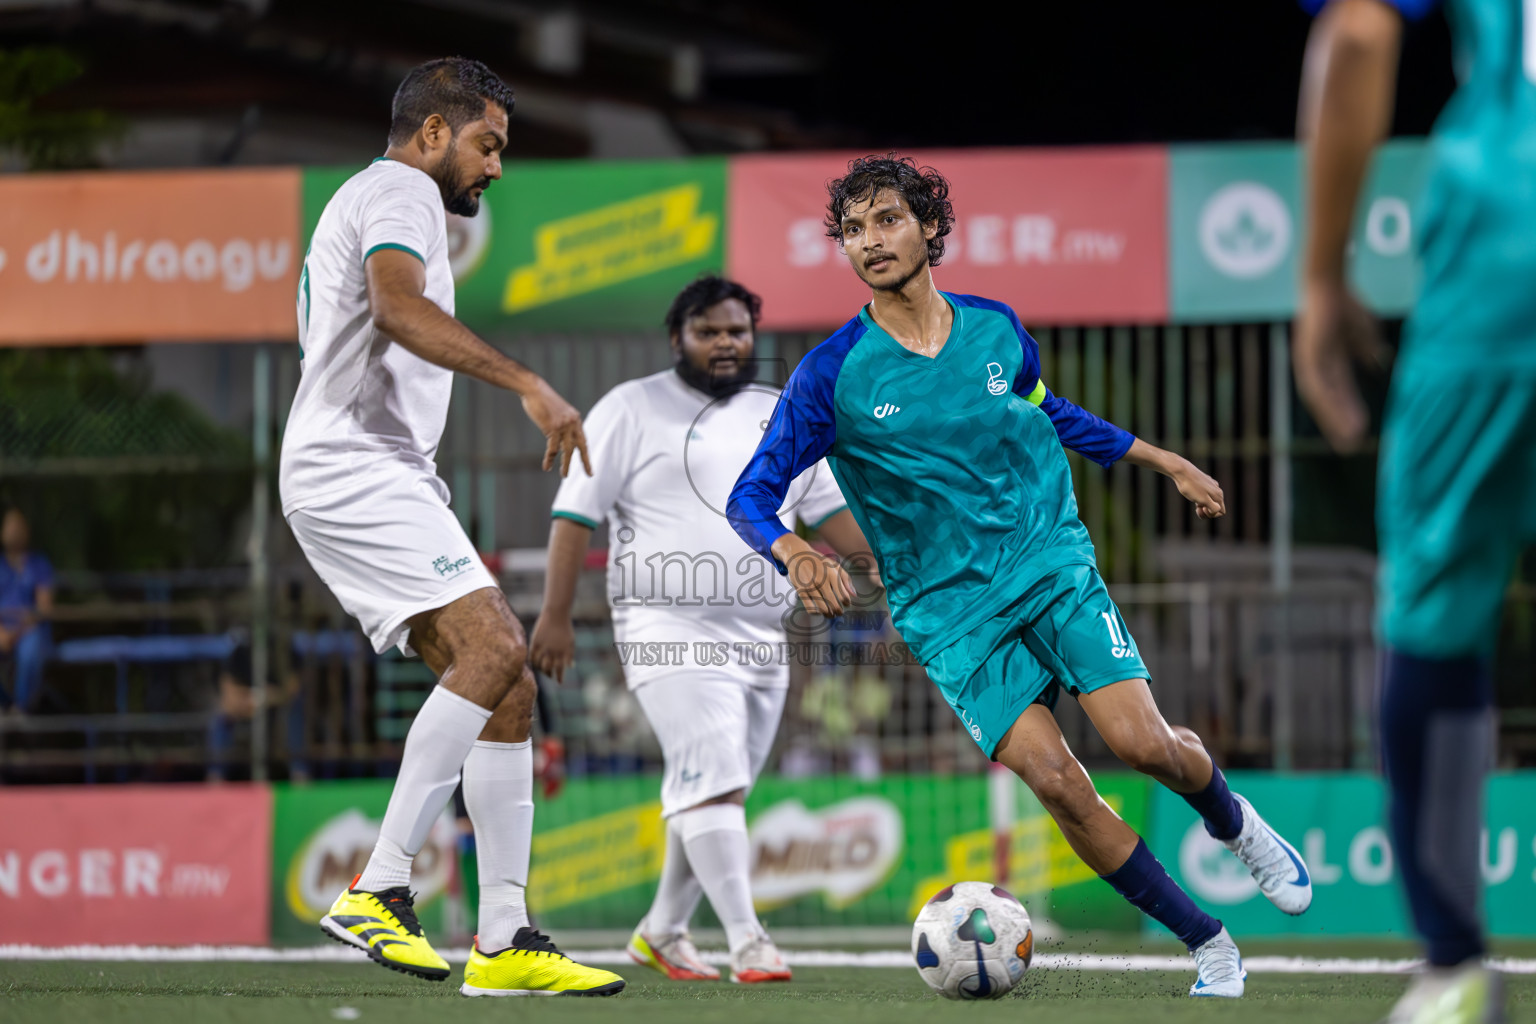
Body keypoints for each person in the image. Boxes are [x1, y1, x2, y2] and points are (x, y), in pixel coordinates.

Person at [727, 155, 1314, 999]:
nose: (870, 241)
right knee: (1058, 784)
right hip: (948, 613)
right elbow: (750, 492)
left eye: (887, 219)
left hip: (1048, 560)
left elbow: (1047, 408)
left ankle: (1238, 824)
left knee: (1140, 745)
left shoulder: (996, 327)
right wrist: (794, 552)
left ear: (930, 228)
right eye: (853, 230)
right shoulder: (831, 374)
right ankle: (1209, 943)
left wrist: (1159, 459)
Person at [279, 56, 622, 997]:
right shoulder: (400, 189)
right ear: (433, 132)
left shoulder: (371, 196)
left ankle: (505, 937)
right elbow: (395, 308)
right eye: (487, 144)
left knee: (506, 689)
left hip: (371, 469)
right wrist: (528, 384)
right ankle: (381, 884)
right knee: (497, 645)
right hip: (354, 468)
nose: (496, 167)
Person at [1293, 1, 1534, 1019]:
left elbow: (1358, 33)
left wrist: (1319, 276)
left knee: (1433, 605)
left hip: (1506, 235)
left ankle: (1452, 962)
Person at [529, 274, 872, 984]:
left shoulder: (781, 411)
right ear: (677, 338)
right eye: (709, 331)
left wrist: (894, 566)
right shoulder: (630, 407)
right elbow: (574, 516)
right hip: (664, 625)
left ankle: (662, 930)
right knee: (710, 776)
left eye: (738, 332)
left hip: (764, 637)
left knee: (719, 787)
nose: (726, 343)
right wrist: (554, 617)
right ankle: (749, 941)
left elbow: (830, 512)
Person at [0, 508, 53, 715]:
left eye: (18, 526)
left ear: (27, 531)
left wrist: (19, 631)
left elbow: (44, 606)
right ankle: (4, 706)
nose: (14, 531)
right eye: (9, 526)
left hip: (30, 629)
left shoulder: (39, 564)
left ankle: (22, 710)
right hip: (2, 629)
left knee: (32, 649)